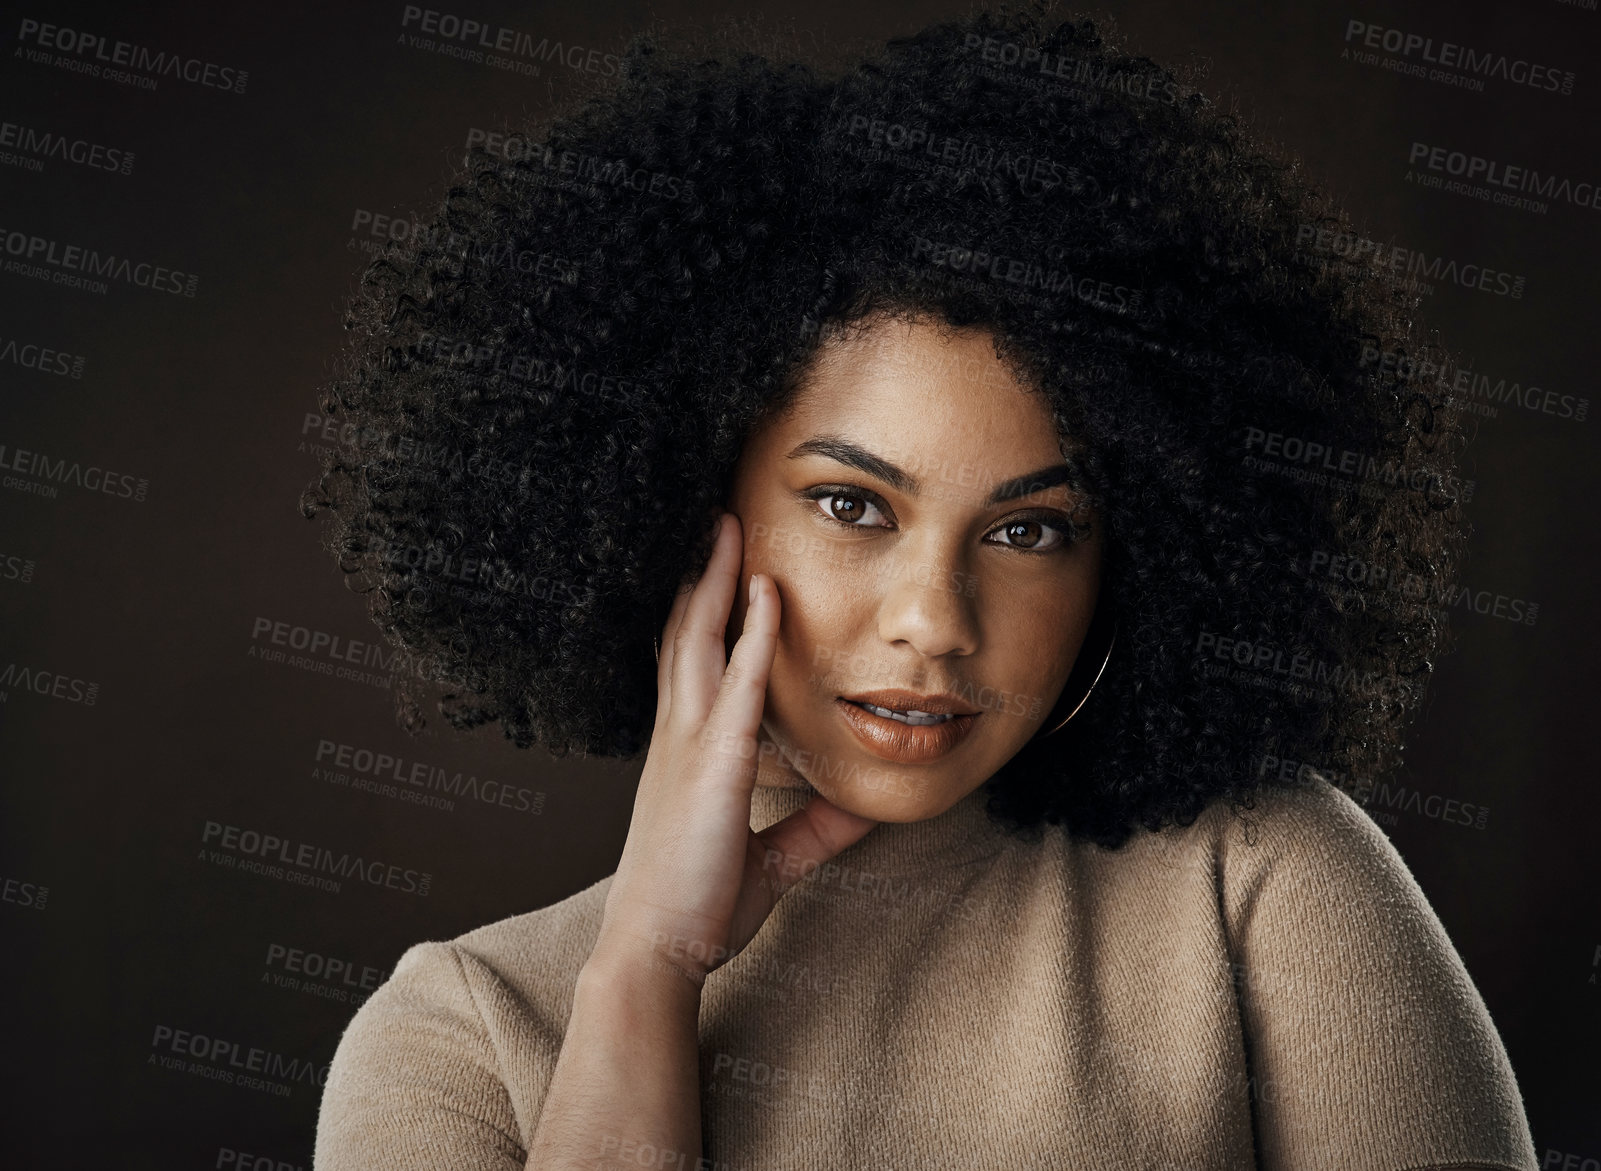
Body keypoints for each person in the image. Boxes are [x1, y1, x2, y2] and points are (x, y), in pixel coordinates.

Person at [302, 4, 1537, 1167]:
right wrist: (647, 972)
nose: (935, 624)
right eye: (850, 505)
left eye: (1031, 530)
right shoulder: (459, 1040)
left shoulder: (1263, 886)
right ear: (682, 504)